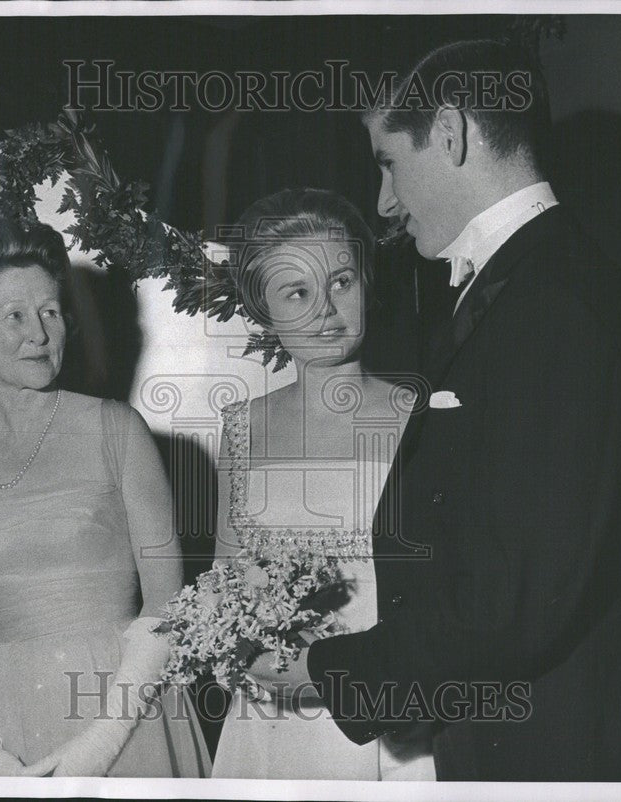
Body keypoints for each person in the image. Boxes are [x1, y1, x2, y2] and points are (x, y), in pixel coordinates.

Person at [250, 40, 621, 781]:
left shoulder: (553, 301)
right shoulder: (533, 279)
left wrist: (331, 671)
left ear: (450, 134)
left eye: (388, 162)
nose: (384, 202)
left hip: (560, 750)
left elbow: (512, 600)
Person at [0, 218, 210, 777]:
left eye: (50, 311)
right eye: (15, 316)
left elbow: (169, 603)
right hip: (1, 726)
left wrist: (97, 748)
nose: (41, 334)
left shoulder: (116, 429)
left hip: (126, 713)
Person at [208, 188, 435, 780]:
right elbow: (223, 588)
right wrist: (244, 658)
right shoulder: (241, 427)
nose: (325, 310)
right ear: (263, 307)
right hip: (271, 724)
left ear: (367, 282)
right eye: (297, 292)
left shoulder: (420, 415)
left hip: (387, 726)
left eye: (341, 282)